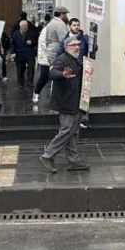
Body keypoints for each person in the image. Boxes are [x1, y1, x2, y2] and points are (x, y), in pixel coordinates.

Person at [39, 37, 90, 173]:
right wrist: (63, 74)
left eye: (78, 45)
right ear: (67, 47)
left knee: (73, 131)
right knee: (67, 130)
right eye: (74, 45)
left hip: (76, 100)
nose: (77, 47)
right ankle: (48, 155)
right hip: (66, 101)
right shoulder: (62, 59)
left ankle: (74, 160)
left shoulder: (74, 60)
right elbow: (52, 73)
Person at [34, 7, 70, 104]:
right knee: (54, 76)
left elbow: (45, 42)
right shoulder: (60, 24)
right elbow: (65, 40)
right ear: (61, 14)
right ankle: (55, 97)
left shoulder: (50, 24)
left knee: (49, 76)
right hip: (54, 53)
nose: (66, 16)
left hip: (49, 54)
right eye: (65, 14)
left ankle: (40, 94)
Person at [11, 20, 37, 87]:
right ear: (20, 27)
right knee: (20, 69)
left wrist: (31, 42)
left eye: (26, 26)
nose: (25, 28)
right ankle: (20, 83)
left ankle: (30, 82)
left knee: (31, 67)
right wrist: (12, 52)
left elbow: (36, 40)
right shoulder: (16, 33)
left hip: (29, 53)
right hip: (19, 54)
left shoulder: (31, 32)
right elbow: (13, 44)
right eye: (24, 26)